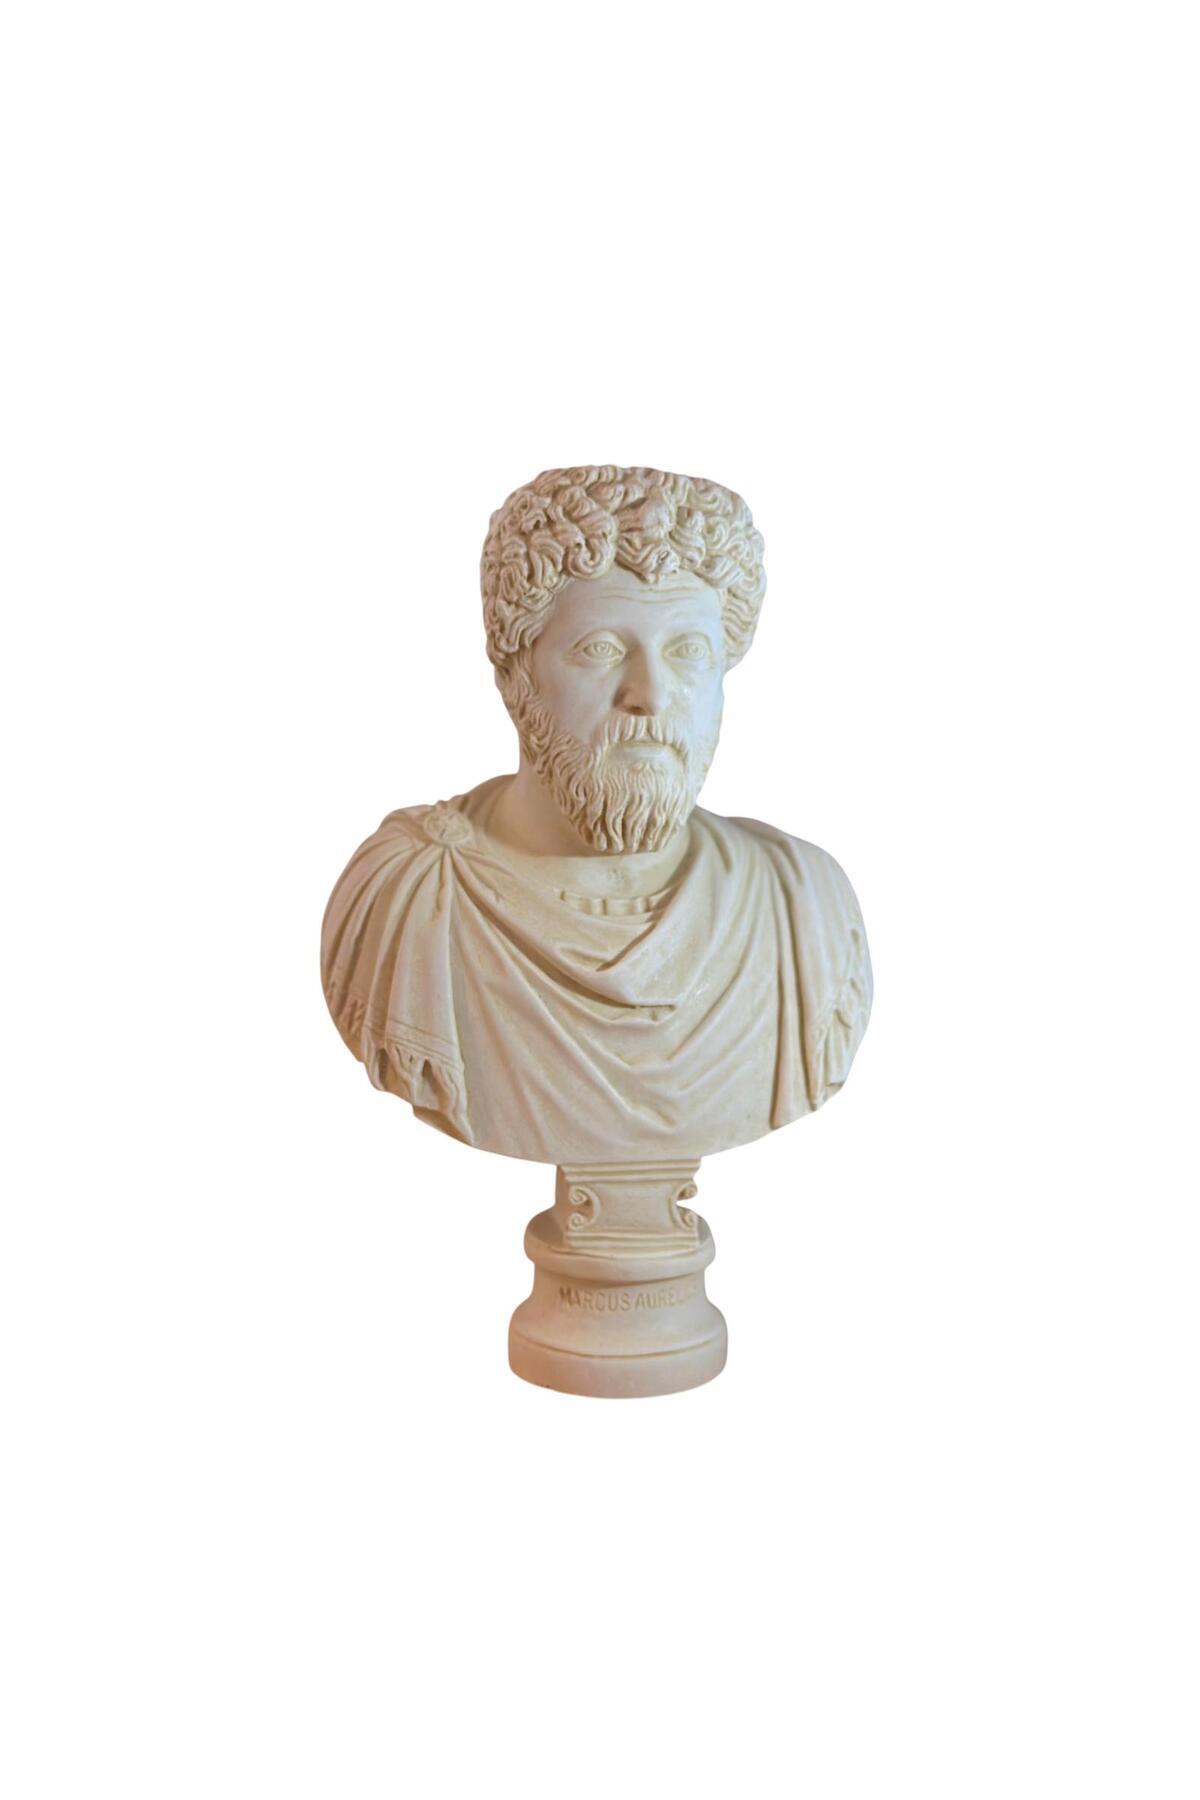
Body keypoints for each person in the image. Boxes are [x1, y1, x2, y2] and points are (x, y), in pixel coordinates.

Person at [321, 465, 871, 1165]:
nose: (650, 694)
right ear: (515, 676)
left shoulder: (801, 909)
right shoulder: (414, 899)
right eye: (602, 649)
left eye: (688, 652)